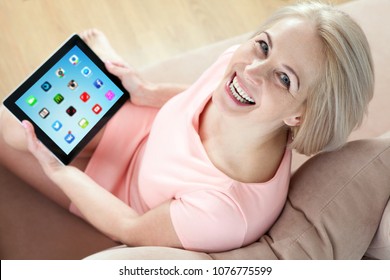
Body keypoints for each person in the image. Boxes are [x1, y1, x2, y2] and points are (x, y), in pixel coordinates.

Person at [0, 2, 374, 253]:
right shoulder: (239, 65)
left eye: (283, 78)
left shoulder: (226, 211)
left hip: (119, 197)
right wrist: (145, 92)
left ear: (300, 116)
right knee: (22, 122)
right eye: (264, 46)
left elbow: (130, 227)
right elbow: (199, 93)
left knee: (8, 130)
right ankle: (114, 67)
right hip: (141, 128)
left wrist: (57, 170)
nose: (252, 70)